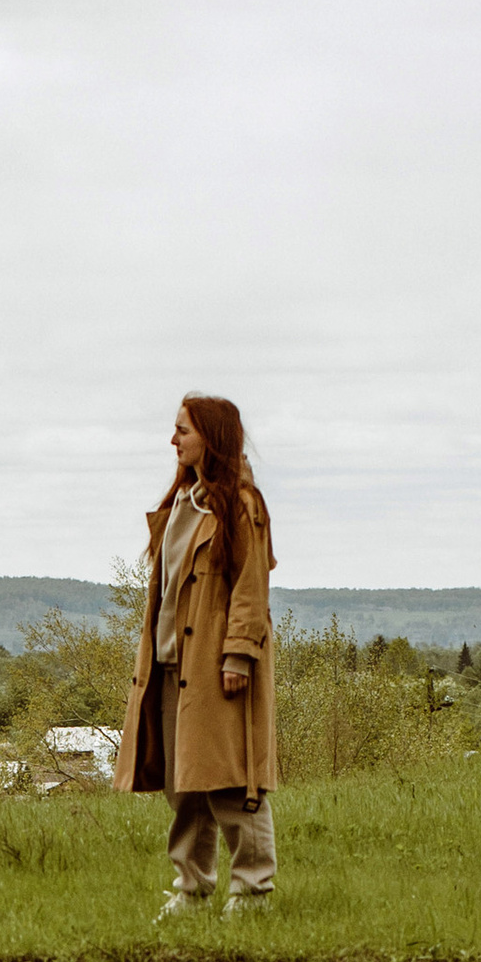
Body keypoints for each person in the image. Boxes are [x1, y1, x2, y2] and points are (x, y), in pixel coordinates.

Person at [112, 393, 277, 919]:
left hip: (217, 666)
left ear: (211, 436)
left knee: (231, 781)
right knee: (183, 786)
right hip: (169, 667)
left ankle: (252, 891)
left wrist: (238, 656)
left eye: (182, 429)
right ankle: (191, 888)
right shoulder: (184, 503)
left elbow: (251, 589)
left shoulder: (242, 505)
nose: (173, 439)